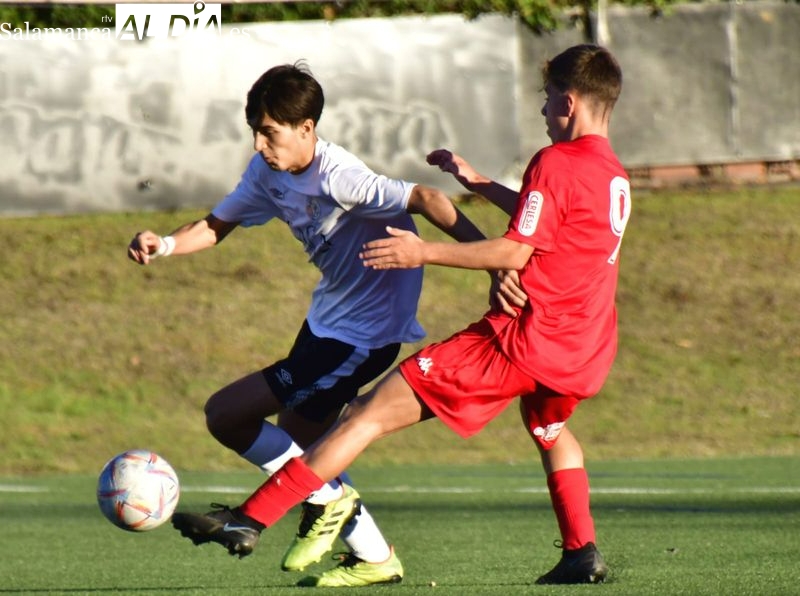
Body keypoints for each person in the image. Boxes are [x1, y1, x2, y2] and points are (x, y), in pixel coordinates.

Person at [170, 44, 631, 585]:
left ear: (569, 102)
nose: (543, 108)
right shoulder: (611, 173)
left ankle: (251, 518)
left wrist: (424, 252)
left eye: (547, 97)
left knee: (364, 415)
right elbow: (554, 216)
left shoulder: (554, 161)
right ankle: (581, 550)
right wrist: (479, 182)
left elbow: (514, 251)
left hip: (522, 340)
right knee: (549, 425)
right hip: (586, 346)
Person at [128, 61, 492, 588]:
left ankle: (326, 503)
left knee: (226, 415)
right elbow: (215, 225)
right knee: (303, 454)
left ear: (307, 129)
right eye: (255, 131)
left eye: (270, 133)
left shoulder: (340, 175)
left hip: (361, 339)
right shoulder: (266, 172)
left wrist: (493, 262)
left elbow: (430, 199)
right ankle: (374, 556)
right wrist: (163, 244)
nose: (259, 145)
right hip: (323, 324)